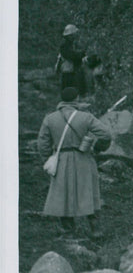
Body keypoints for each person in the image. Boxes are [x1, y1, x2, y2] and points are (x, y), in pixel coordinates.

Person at [37, 86, 111, 237]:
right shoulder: (86, 117)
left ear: (62, 100)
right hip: (84, 158)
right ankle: (95, 229)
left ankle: (68, 231)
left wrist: (49, 159)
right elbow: (106, 134)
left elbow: (42, 143)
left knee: (63, 193)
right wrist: (97, 148)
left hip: (61, 159)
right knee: (89, 192)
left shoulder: (50, 118)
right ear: (76, 99)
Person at [56, 24, 87, 96]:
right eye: (72, 35)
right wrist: (81, 54)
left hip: (75, 72)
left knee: (79, 92)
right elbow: (71, 56)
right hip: (67, 73)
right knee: (68, 94)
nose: (74, 37)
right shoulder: (64, 46)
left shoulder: (75, 45)